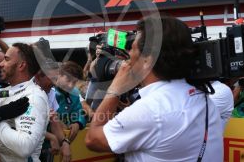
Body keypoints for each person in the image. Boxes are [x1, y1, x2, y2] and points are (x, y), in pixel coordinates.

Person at [85, 14, 223, 161]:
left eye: (132, 49)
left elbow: (92, 139)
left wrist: (114, 91)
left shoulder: (150, 111)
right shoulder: (204, 99)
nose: (128, 56)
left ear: (147, 60)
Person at [0, 43, 49, 162]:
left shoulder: (34, 97)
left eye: (6, 59)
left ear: (21, 65)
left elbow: (25, 147)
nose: (0, 64)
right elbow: (3, 103)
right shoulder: (10, 90)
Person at [34, 60, 71, 162]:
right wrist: (51, 137)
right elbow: (23, 125)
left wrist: (64, 142)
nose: (55, 83)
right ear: (37, 77)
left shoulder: (51, 92)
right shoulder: (25, 92)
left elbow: (54, 118)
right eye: (52, 79)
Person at [55, 61, 86, 142]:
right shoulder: (47, 90)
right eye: (68, 80)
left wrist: (78, 123)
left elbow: (80, 112)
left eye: (74, 82)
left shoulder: (75, 92)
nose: (71, 85)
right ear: (59, 74)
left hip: (66, 140)